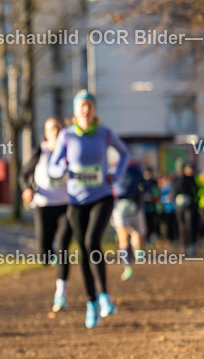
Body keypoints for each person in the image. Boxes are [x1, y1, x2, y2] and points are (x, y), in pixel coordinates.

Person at [48, 90, 128, 329]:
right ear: (75, 111)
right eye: (81, 105)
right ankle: (92, 303)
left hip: (102, 196)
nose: (86, 109)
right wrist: (61, 169)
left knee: (92, 241)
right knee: (84, 250)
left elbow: (124, 153)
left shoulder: (105, 134)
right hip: (76, 202)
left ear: (94, 110)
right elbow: (52, 166)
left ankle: (104, 297)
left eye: (89, 105)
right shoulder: (67, 135)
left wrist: (116, 174)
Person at [20, 118, 73, 311]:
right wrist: (27, 189)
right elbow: (23, 174)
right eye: (52, 128)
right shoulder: (39, 151)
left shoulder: (70, 150)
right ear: (46, 132)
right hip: (43, 205)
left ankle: (61, 294)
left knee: (64, 247)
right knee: (43, 254)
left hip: (67, 206)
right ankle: (49, 250)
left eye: (59, 128)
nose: (56, 131)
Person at [111, 161, 147, 281]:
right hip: (134, 205)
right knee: (135, 233)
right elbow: (145, 186)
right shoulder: (136, 171)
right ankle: (137, 253)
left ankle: (127, 265)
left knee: (124, 236)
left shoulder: (113, 171)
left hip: (120, 206)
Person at [172, 160, 200, 256]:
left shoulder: (192, 179)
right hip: (179, 207)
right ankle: (184, 246)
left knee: (190, 225)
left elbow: (196, 191)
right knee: (182, 227)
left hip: (190, 206)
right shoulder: (177, 179)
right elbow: (173, 192)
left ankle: (192, 245)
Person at [141, 167, 160, 246]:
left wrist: (152, 197)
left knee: (153, 224)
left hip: (153, 207)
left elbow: (157, 193)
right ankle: (146, 240)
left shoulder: (154, 182)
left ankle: (152, 240)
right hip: (143, 208)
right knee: (145, 225)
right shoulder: (142, 182)